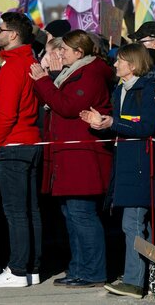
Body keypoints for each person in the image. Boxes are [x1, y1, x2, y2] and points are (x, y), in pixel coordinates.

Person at [79, 43, 155, 297]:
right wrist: (101, 123)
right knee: (137, 225)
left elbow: (148, 126)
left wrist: (113, 122)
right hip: (125, 164)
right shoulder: (120, 90)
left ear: (134, 64)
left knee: (133, 224)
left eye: (120, 60)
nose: (115, 64)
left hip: (142, 165)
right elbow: (122, 125)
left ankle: (135, 280)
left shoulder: (148, 88)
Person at [30, 30, 114, 289]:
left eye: (64, 49)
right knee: (71, 214)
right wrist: (49, 80)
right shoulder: (76, 72)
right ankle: (79, 268)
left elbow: (67, 106)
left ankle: (94, 271)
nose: (59, 53)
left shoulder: (91, 73)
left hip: (83, 156)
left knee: (82, 214)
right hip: (69, 155)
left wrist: (45, 81)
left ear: (79, 52)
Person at [0, 11, 42, 289]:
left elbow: (5, 113)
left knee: (16, 212)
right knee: (30, 211)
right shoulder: (29, 62)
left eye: (1, 30)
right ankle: (32, 268)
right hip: (28, 141)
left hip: (12, 143)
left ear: (13, 34)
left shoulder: (13, 67)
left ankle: (18, 270)